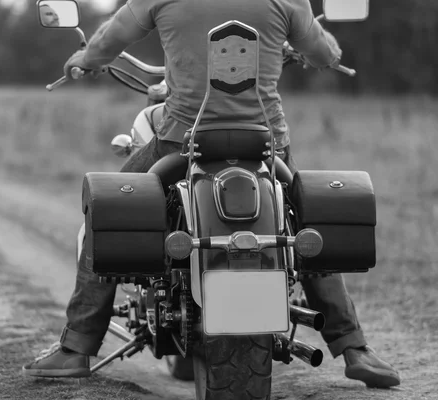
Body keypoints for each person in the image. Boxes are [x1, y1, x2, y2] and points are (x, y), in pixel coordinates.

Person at [23, 0, 401, 389]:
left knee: (109, 212)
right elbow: (322, 51)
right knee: (303, 218)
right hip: (266, 146)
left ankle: (76, 348)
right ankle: (354, 347)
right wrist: (322, 54)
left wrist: (86, 59)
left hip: (181, 143)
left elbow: (109, 40)